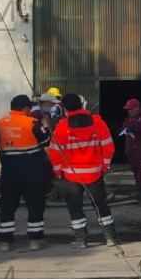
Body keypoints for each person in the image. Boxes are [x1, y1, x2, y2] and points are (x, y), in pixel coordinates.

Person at [50, 93, 116, 248]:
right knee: (101, 205)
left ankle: (81, 240)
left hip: (71, 175)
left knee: (75, 207)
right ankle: (110, 237)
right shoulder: (98, 122)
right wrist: (104, 166)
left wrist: (58, 172)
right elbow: (109, 147)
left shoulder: (62, 127)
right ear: (82, 104)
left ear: (65, 108)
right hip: (94, 173)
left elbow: (55, 152)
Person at [0, 94, 51, 252]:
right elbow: (46, 141)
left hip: (8, 171)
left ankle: (5, 242)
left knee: (7, 205)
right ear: (26, 108)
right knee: (35, 203)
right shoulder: (32, 123)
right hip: (32, 170)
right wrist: (45, 127)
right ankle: (35, 239)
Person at [121, 98, 141, 203]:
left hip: (139, 147)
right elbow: (124, 127)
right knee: (134, 169)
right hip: (129, 147)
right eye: (128, 109)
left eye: (131, 109)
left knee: (139, 170)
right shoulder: (128, 118)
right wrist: (125, 129)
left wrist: (134, 127)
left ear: (137, 108)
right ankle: (139, 189)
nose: (129, 111)